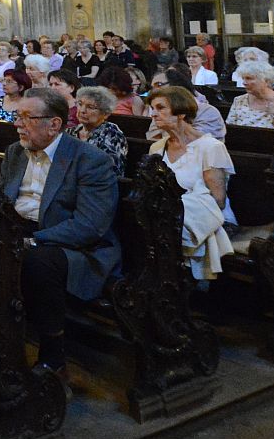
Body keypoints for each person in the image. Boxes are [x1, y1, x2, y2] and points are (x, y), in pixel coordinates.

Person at [0, 87, 120, 374]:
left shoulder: (89, 159)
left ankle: (54, 354)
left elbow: (90, 225)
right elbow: (3, 199)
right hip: (24, 230)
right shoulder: (15, 152)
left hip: (75, 245)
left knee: (37, 262)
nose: (18, 124)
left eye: (27, 117)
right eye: (18, 116)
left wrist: (32, 240)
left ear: (54, 124)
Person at [147, 86, 234, 279]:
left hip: (207, 217)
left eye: (161, 108)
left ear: (181, 113)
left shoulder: (210, 147)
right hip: (169, 216)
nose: (153, 114)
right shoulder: (157, 148)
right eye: (152, 108)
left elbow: (218, 200)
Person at [67, 85, 128, 177]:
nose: (82, 110)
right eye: (80, 104)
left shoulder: (112, 134)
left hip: (98, 186)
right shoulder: (70, 132)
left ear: (105, 114)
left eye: (90, 107)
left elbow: (109, 170)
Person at [161, 65, 227, 140]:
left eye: (159, 85)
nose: (153, 91)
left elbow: (203, 143)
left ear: (175, 87)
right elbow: (153, 137)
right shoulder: (159, 110)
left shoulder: (208, 112)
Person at [226, 61, 274, 128]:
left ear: (266, 81)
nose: (244, 83)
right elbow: (230, 130)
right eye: (243, 78)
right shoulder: (239, 101)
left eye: (249, 78)